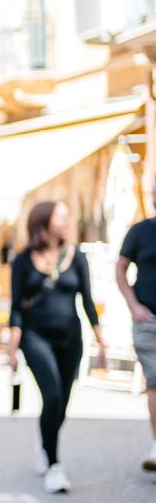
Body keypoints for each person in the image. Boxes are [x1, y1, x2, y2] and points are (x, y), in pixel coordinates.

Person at [6, 201, 107, 494]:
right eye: (62, 215)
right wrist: (12, 349)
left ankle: (45, 442)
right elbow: (16, 309)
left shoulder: (77, 257)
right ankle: (54, 465)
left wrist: (101, 340)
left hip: (71, 340)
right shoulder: (22, 261)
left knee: (61, 403)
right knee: (51, 397)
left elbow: (87, 301)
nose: (68, 219)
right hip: (35, 338)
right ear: (44, 221)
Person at [117, 180, 156, 472]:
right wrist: (133, 305)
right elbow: (120, 267)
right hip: (149, 321)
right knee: (155, 383)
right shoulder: (139, 232)